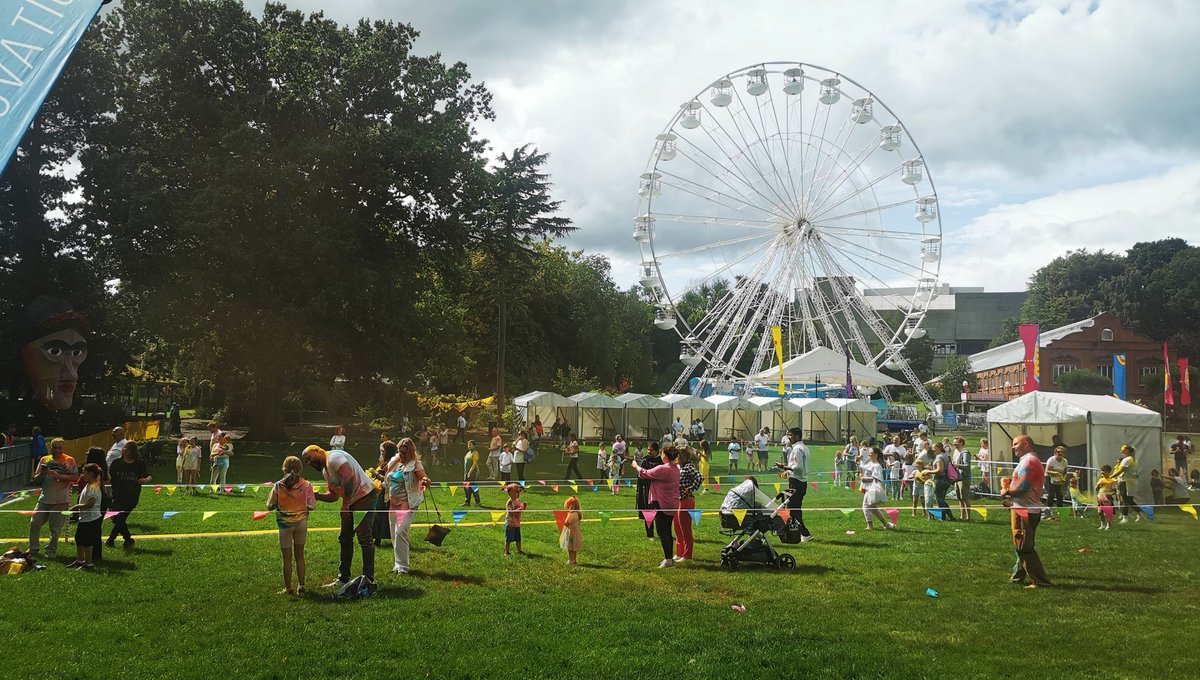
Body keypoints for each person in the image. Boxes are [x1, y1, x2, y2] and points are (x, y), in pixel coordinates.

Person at [303, 444, 378, 591]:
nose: (309, 463)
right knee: (345, 537)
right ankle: (343, 578)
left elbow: (349, 478)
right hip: (351, 500)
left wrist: (346, 504)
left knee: (364, 538)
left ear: (317, 450)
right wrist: (316, 496)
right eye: (306, 462)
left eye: (309, 458)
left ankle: (368, 580)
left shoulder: (334, 458)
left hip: (364, 496)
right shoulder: (326, 471)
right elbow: (334, 495)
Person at [1002, 435, 1052, 588]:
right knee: (1023, 543)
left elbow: (1022, 488)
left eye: (1016, 444)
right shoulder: (1029, 460)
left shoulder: (1029, 461)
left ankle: (1040, 581)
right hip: (1023, 508)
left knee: (1023, 546)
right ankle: (1017, 576)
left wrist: (1006, 491)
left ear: (1025, 444)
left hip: (1025, 511)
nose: (1013, 447)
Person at [267, 456, 316, 594]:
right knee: (300, 555)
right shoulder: (307, 485)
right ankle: (301, 585)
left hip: (284, 525)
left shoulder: (278, 485)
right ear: (300, 469)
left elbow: (269, 505)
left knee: (286, 558)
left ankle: (288, 588)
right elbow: (312, 505)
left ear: (284, 468)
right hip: (301, 523)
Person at [385, 437, 431, 574]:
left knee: (400, 532)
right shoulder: (395, 462)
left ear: (410, 453)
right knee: (394, 534)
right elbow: (387, 476)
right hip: (393, 504)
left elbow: (424, 476)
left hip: (407, 503)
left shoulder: (415, 465)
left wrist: (425, 480)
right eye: (400, 452)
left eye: (405, 453)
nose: (402, 455)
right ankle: (397, 564)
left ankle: (403, 567)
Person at [28, 437, 78, 560]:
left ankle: (50, 552)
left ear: (63, 448)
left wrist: (58, 476)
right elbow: (36, 479)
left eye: (59, 448)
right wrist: (43, 473)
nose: (57, 450)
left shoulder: (69, 460)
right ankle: (33, 548)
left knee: (55, 529)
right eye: (54, 448)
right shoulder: (44, 459)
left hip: (61, 499)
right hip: (45, 498)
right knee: (35, 522)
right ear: (51, 447)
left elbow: (75, 477)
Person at [633, 445, 680, 569]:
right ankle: (669, 558)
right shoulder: (676, 468)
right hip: (672, 503)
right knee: (668, 532)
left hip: (662, 503)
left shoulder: (663, 468)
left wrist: (635, 465)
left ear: (665, 455)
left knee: (662, 532)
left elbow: (645, 473)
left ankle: (668, 560)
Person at [107, 441, 151, 549]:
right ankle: (124, 540)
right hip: (117, 495)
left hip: (131, 496)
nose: (123, 449)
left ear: (132, 450)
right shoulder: (117, 463)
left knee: (119, 519)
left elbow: (149, 475)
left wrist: (145, 480)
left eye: (126, 447)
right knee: (116, 519)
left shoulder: (139, 463)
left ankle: (115, 540)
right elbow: (109, 476)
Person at [68, 463, 104, 570]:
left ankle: (88, 564)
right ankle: (80, 560)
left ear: (91, 474)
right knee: (79, 538)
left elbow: (91, 504)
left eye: (84, 473)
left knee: (87, 541)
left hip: (91, 518)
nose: (82, 475)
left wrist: (76, 507)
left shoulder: (93, 487)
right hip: (85, 518)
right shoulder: (89, 485)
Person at [780, 427, 813, 542]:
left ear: (798, 436)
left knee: (794, 509)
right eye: (789, 435)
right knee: (793, 508)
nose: (789, 437)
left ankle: (805, 534)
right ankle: (796, 533)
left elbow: (798, 468)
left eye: (791, 435)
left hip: (797, 482)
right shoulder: (803, 447)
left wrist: (785, 467)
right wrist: (787, 471)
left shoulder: (798, 449)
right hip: (800, 481)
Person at [674, 447, 702, 562]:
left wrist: (691, 488)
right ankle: (679, 552)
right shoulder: (680, 467)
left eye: (677, 456)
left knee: (685, 528)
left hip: (686, 500)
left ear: (682, 456)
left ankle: (687, 555)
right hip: (678, 500)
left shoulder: (689, 467)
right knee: (677, 528)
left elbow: (700, 477)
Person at [859, 447, 895, 530]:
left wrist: (865, 479)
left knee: (866, 506)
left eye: (871, 452)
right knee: (872, 507)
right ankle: (886, 524)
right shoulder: (869, 463)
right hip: (867, 488)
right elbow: (862, 468)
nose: (869, 453)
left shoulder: (877, 466)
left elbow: (877, 478)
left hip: (872, 488)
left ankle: (870, 526)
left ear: (876, 454)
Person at [635, 442, 660, 539]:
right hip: (647, 489)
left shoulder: (661, 460)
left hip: (658, 490)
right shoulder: (645, 460)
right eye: (648, 449)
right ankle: (650, 534)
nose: (649, 452)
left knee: (659, 513)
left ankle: (661, 533)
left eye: (651, 450)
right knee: (648, 512)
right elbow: (640, 473)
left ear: (657, 451)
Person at [1113, 444, 1140, 523]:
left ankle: (1125, 517)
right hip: (1132, 481)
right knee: (1129, 500)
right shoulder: (1134, 459)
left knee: (1124, 499)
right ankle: (1140, 514)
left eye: (1123, 449)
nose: (1121, 451)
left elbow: (1120, 470)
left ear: (1127, 450)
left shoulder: (1127, 459)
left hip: (1125, 481)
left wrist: (1111, 477)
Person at [928, 442, 956, 521]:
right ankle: (951, 517)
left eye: (934, 447)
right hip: (946, 479)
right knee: (942, 499)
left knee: (939, 499)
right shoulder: (945, 455)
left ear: (939, 447)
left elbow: (940, 470)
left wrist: (929, 471)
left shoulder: (939, 457)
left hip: (940, 480)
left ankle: (943, 518)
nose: (933, 449)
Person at [953, 437, 973, 520]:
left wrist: (957, 465)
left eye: (956, 442)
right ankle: (962, 516)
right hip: (957, 478)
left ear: (961, 443)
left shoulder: (965, 453)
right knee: (959, 498)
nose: (954, 444)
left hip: (963, 478)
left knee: (965, 498)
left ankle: (968, 517)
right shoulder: (956, 452)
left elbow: (967, 466)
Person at [504, 483, 526, 556]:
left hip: (516, 523)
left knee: (518, 538)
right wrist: (519, 509)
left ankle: (519, 550)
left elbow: (521, 509)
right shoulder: (509, 502)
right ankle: (506, 552)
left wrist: (523, 507)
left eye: (518, 491)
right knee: (508, 539)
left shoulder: (518, 501)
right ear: (510, 493)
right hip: (510, 523)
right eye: (516, 491)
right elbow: (511, 513)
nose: (518, 493)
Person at [1045, 446, 1069, 513]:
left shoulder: (1065, 461)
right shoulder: (1051, 459)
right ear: (1055, 452)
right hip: (1049, 478)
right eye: (1058, 452)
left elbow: (1065, 472)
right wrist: (1056, 473)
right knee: (1051, 494)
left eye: (1062, 452)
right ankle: (1049, 510)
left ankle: (1060, 510)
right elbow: (1047, 471)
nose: (1060, 453)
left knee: (1060, 495)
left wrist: (1064, 478)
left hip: (1059, 480)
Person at [560, 496, 582, 565]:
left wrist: (565, 518)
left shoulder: (571, 514)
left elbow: (567, 523)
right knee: (574, 547)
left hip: (570, 532)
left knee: (570, 547)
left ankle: (571, 560)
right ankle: (574, 560)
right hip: (576, 532)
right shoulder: (577, 514)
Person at [1095, 464, 1118, 530]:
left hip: (1107, 498)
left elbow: (1115, 491)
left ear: (1108, 472)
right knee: (1100, 512)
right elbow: (1096, 489)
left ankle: (1108, 525)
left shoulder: (1112, 480)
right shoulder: (1101, 479)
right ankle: (1102, 525)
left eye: (1103, 471)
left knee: (1107, 512)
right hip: (1100, 497)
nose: (1102, 472)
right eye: (1101, 471)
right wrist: (1098, 486)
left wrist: (1109, 494)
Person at [463, 440, 481, 506]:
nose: (469, 446)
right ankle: (467, 501)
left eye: (470, 445)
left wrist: (470, 472)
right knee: (466, 487)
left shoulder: (475, 453)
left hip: (473, 473)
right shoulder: (468, 453)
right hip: (466, 473)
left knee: (474, 487)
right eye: (468, 445)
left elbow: (474, 463)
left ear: (474, 445)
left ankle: (478, 502)